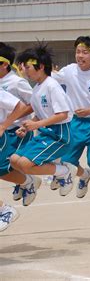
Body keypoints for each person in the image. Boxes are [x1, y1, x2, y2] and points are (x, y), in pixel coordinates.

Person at [51, 36, 90, 199]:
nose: (80, 56)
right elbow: (51, 77)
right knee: (67, 162)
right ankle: (85, 175)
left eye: (85, 52)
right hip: (75, 124)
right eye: (77, 52)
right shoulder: (70, 70)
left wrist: (89, 110)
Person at [10, 44, 75, 198]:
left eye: (27, 67)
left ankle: (65, 172)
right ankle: (29, 182)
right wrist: (26, 127)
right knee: (13, 160)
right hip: (46, 133)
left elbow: (62, 114)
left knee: (25, 164)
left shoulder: (52, 86)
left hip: (59, 136)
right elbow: (40, 114)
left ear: (41, 67)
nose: (25, 71)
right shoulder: (37, 89)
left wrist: (37, 125)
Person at [0, 42, 35, 202]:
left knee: (7, 166)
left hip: (17, 130)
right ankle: (23, 182)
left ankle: (28, 182)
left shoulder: (16, 82)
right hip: (4, 130)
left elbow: (33, 103)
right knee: (7, 165)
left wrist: (15, 119)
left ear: (5, 64)